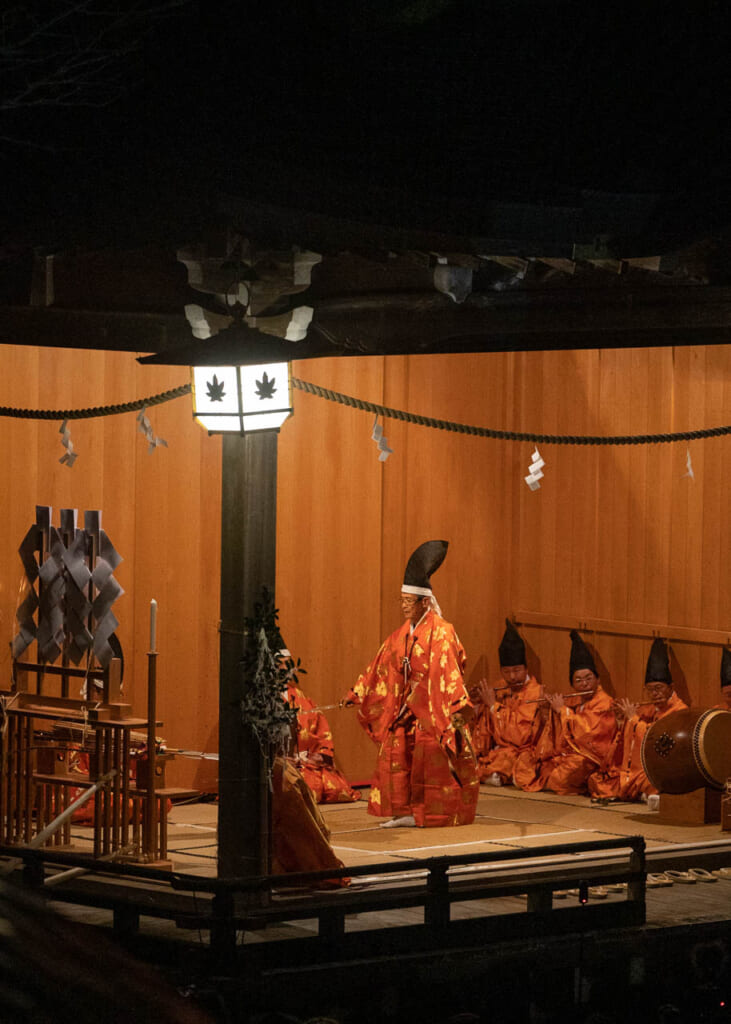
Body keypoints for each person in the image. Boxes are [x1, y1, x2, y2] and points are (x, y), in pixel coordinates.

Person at [344, 539, 479, 828]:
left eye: (409, 602)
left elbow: (449, 670)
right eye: (402, 601)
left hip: (433, 707)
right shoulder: (402, 633)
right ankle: (405, 810)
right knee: (396, 753)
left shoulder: (442, 632)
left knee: (430, 760)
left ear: (425, 602)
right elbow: (380, 665)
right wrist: (358, 691)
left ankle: (433, 814)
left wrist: (453, 705)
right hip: (405, 706)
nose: (404, 607)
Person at [513, 630, 616, 795]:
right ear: (572, 684)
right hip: (566, 753)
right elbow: (557, 734)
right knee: (528, 761)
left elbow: (588, 733)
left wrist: (562, 710)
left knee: (560, 778)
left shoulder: (605, 702)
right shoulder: (573, 701)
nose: (584, 684)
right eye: (578, 680)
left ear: (597, 679)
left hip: (590, 757)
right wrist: (548, 711)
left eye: (589, 679)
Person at [587, 636, 688, 803]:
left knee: (656, 782)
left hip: (662, 767)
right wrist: (621, 721)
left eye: (659, 688)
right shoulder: (648, 708)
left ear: (671, 687)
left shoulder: (679, 710)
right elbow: (629, 737)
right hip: (638, 769)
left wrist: (632, 719)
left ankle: (648, 795)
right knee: (596, 781)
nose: (655, 694)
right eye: (650, 690)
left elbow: (657, 740)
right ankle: (644, 795)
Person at [470, 619, 544, 786]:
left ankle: (489, 773)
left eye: (517, 671)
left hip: (520, 750)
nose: (512, 677)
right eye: (506, 671)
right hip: (496, 750)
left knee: (510, 759)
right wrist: (477, 705)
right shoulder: (499, 687)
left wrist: (492, 706)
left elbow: (521, 736)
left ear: (526, 669)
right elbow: (485, 727)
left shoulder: (535, 692)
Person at [283, 666, 361, 804]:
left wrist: (315, 756)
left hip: (307, 761)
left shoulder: (301, 697)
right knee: (301, 789)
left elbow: (322, 734)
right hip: (283, 763)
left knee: (336, 789)